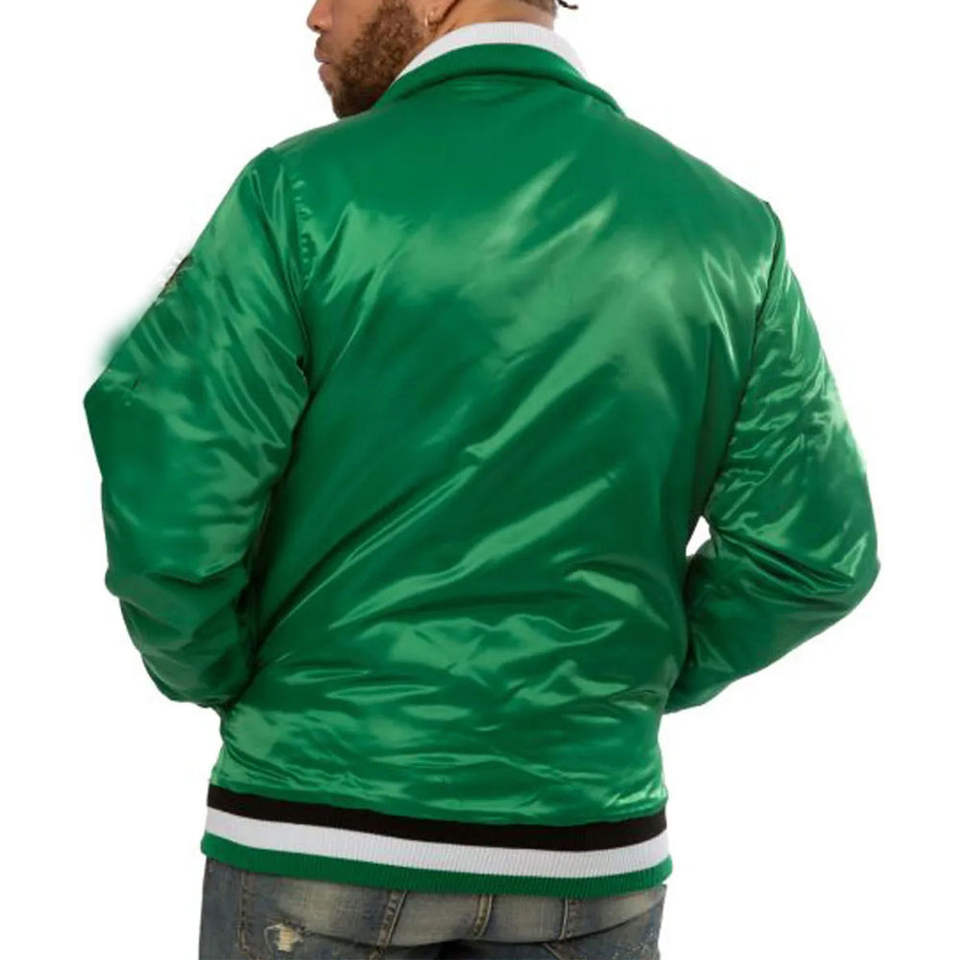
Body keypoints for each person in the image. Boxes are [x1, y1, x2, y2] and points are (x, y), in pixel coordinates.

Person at [81, 0, 881, 957]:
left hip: (322, 825)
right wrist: (615, 679)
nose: (314, 15)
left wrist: (228, 676)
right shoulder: (730, 234)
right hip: (586, 841)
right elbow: (812, 555)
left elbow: (173, 502)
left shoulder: (298, 196)